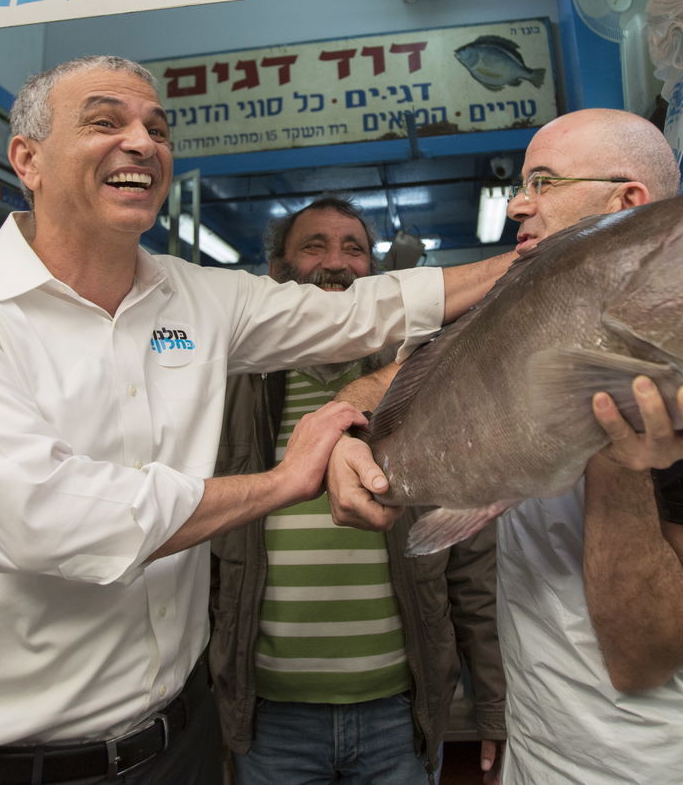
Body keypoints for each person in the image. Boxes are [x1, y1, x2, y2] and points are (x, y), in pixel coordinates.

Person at [0, 56, 513, 785]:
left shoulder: (197, 299)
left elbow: (365, 311)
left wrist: (531, 261)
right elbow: (39, 517)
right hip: (6, 765)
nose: (143, 142)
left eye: (157, 127)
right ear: (28, 158)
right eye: (105, 121)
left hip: (178, 743)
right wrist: (280, 483)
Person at [328, 108, 683, 784]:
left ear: (627, 203)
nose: (518, 206)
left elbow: (644, 654)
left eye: (544, 181)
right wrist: (341, 425)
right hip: (545, 752)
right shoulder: (534, 335)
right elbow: (414, 379)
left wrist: (616, 458)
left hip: (681, 763)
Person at [210, 196, 506, 785]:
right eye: (314, 245)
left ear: (375, 276)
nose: (337, 262)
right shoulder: (228, 390)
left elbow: (470, 558)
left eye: (353, 248)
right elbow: (201, 556)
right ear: (278, 272)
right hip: (268, 716)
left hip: (398, 710)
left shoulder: (418, 387)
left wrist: (492, 702)